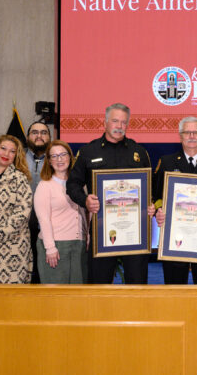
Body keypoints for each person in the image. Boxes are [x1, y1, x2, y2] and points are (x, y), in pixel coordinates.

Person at [66, 103, 155, 284]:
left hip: (134, 232)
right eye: (115, 121)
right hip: (102, 231)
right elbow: (72, 185)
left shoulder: (139, 152)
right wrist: (85, 200)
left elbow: (150, 187)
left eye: (124, 122)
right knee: (99, 284)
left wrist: (150, 205)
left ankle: (135, 314)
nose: (119, 126)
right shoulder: (88, 151)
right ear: (105, 122)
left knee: (137, 283)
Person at [152, 117, 197, 284]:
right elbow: (156, 196)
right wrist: (159, 211)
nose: (192, 136)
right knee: (175, 290)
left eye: (196, 132)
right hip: (175, 238)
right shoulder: (167, 162)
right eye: (187, 132)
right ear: (180, 136)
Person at [0, 135, 33, 284]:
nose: (6, 154)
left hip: (12, 247)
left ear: (16, 156)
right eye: (3, 148)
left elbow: (23, 213)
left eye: (12, 151)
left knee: (10, 300)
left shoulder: (19, 178)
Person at [34, 140, 88, 284]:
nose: (59, 159)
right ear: (49, 161)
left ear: (70, 157)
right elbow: (43, 219)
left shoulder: (80, 184)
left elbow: (84, 213)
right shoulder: (45, 185)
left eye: (63, 154)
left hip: (79, 245)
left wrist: (88, 235)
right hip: (56, 247)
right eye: (54, 156)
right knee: (56, 296)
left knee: (78, 296)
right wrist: (50, 248)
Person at [25, 120, 50, 283]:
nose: (39, 136)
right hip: (22, 225)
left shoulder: (58, 158)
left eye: (43, 132)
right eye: (35, 132)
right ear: (28, 137)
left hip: (48, 225)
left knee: (45, 272)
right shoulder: (16, 157)